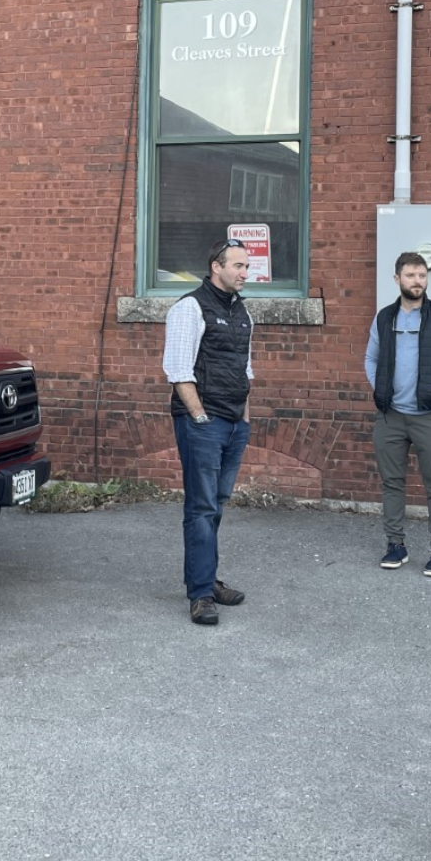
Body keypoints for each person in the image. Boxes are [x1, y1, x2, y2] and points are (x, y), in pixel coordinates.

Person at [162, 237, 254, 626]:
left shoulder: (242, 312)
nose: (244, 273)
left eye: (247, 267)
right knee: (200, 508)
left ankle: (205, 578)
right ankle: (200, 594)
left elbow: (246, 369)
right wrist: (200, 417)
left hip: (234, 423)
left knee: (214, 505)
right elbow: (178, 370)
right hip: (204, 423)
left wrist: (245, 419)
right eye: (238, 266)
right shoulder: (190, 308)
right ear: (216, 267)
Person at [364, 251, 431, 576]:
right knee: (392, 483)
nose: (417, 281)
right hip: (390, 416)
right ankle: (396, 545)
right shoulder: (384, 318)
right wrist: (381, 387)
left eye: (422, 276)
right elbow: (370, 359)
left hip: (429, 417)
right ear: (397, 279)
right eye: (410, 275)